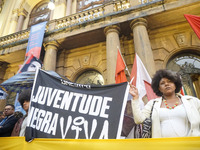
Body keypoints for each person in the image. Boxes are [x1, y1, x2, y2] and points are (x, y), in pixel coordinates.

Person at [129, 69, 200, 138]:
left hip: (190, 145)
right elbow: (138, 120)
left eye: (170, 81)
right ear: (159, 88)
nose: (166, 84)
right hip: (163, 146)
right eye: (162, 83)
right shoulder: (152, 104)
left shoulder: (192, 101)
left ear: (175, 85)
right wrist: (135, 98)